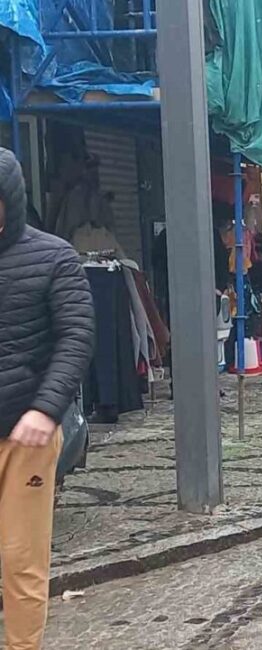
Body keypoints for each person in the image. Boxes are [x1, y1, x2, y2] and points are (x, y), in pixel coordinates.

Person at [0, 147, 95, 650]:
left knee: (20, 558)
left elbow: (77, 336)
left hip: (26, 434)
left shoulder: (53, 256)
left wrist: (44, 408)